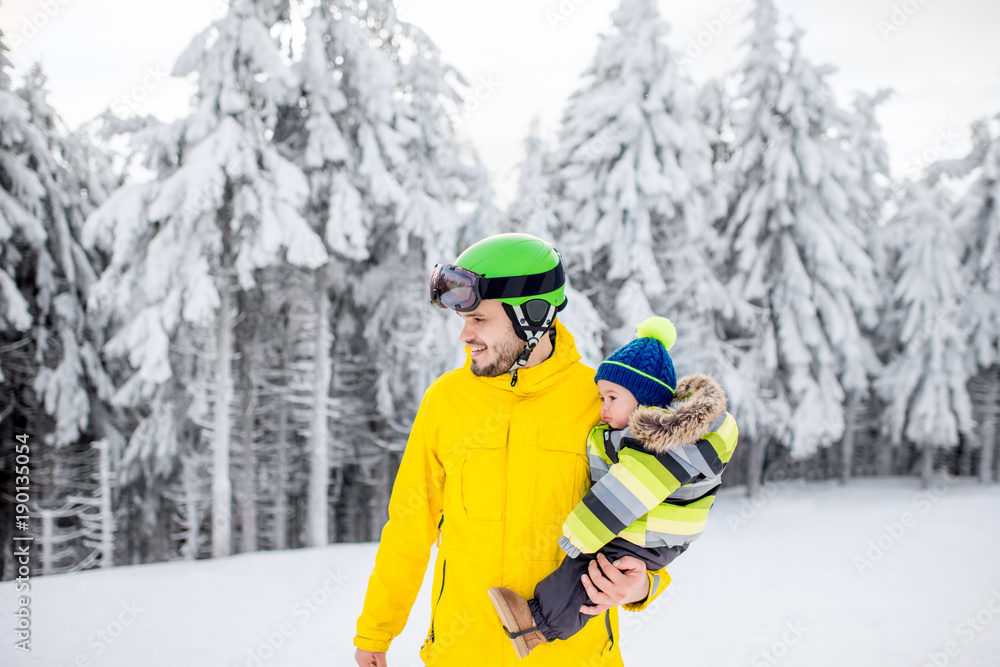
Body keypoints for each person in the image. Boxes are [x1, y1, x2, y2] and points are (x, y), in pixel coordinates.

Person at [353, 233, 671, 667]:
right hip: (462, 653)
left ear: (533, 315)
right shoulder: (446, 401)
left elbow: (662, 509)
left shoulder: (602, 403)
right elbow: (409, 526)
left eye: (480, 320)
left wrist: (644, 586)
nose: (466, 335)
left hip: (573, 657)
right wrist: (375, 630)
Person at [486, 316, 739, 658]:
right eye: (602, 397)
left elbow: (627, 492)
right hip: (650, 535)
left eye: (611, 398)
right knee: (596, 568)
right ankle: (540, 621)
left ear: (643, 400)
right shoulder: (643, 437)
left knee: (589, 569)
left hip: (650, 536)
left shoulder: (661, 445)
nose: (602, 407)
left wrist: (578, 536)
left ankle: (539, 625)